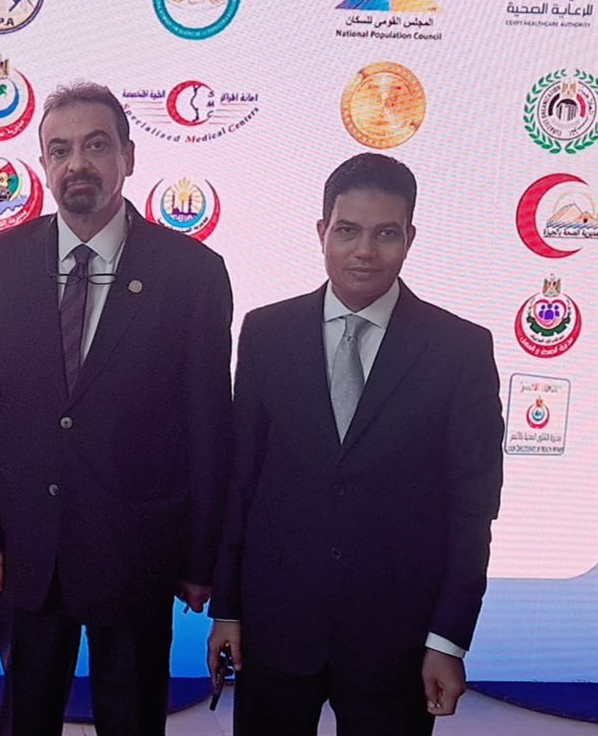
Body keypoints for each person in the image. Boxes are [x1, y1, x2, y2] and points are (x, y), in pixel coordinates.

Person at [0, 81, 234, 735]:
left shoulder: (192, 273)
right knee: (25, 719)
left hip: (137, 549)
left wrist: (201, 560)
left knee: (132, 720)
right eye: (60, 150)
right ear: (43, 164)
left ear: (129, 157)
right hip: (26, 551)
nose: (77, 163)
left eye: (96, 146)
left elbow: (208, 427)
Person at [208, 153, 504, 735]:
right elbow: (241, 480)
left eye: (385, 233)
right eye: (347, 230)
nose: (364, 251)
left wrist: (448, 639)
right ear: (322, 231)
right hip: (276, 627)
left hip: (396, 638)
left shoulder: (460, 350)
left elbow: (472, 508)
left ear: (410, 238)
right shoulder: (266, 333)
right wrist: (228, 608)